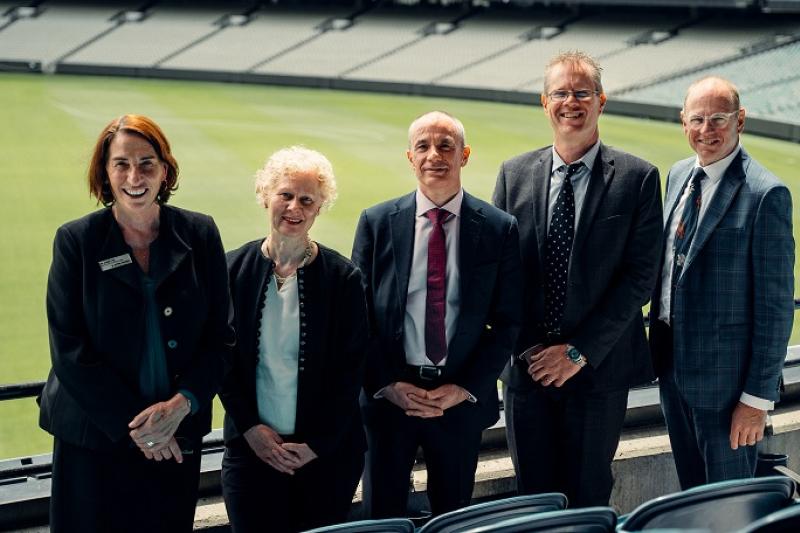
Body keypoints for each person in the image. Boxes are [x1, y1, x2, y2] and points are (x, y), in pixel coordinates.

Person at [38, 114, 235, 532]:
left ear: (165, 170)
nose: (134, 177)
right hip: (94, 437)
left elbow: (221, 339)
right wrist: (141, 429)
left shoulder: (200, 233)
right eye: (121, 164)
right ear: (105, 172)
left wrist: (180, 405)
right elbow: (69, 349)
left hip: (176, 436)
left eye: (147, 163)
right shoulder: (77, 240)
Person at [493, 51, 663, 507]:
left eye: (582, 93)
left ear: (601, 101)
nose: (571, 102)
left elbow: (640, 279)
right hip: (528, 373)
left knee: (588, 496)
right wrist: (530, 349)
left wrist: (576, 352)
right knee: (533, 501)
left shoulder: (638, 178)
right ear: (544, 102)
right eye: (561, 93)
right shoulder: (513, 174)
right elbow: (501, 274)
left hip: (598, 374)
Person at [352, 111, 522, 518]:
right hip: (391, 401)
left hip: (458, 402)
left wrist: (464, 388)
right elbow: (357, 318)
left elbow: (508, 320)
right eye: (423, 146)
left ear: (464, 155)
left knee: (453, 516)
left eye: (446, 146)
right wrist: (386, 384)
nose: (434, 155)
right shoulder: (376, 222)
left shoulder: (498, 228)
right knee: (382, 516)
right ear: (410, 157)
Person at [649, 76, 794, 489]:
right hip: (673, 376)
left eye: (718, 119)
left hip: (729, 394)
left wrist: (755, 401)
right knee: (692, 499)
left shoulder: (766, 194)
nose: (706, 130)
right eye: (697, 119)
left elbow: (776, 308)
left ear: (740, 120)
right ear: (683, 122)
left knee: (729, 508)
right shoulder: (678, 175)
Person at [220, 146, 368, 533]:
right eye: (285, 194)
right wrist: (250, 429)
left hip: (325, 458)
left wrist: (317, 444)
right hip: (251, 452)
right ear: (265, 195)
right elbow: (220, 362)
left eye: (307, 200)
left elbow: (351, 371)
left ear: (319, 208)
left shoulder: (344, 278)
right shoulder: (231, 270)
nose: (294, 208)